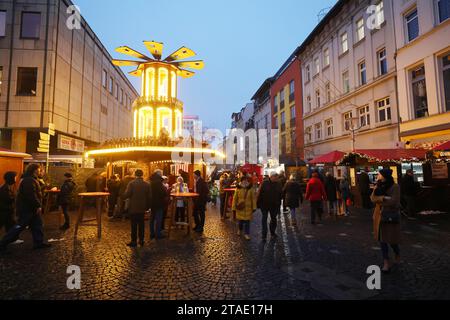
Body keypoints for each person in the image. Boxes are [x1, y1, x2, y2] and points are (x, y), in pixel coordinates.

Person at [0, 164, 51, 253]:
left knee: (37, 225)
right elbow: (31, 195)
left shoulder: (30, 179)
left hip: (30, 209)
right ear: (34, 170)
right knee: (19, 227)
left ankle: (38, 242)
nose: (40, 172)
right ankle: (2, 243)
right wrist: (37, 205)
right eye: (39, 170)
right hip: (27, 209)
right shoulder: (29, 180)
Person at [371, 169, 401, 273]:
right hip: (379, 217)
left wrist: (381, 201)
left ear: (384, 176)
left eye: (379, 174)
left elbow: (394, 201)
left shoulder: (395, 186)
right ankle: (386, 262)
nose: (378, 175)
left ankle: (397, 252)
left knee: (392, 241)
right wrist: (384, 198)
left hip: (390, 216)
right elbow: (373, 198)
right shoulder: (378, 186)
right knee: (382, 241)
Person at [123, 170, 152, 247]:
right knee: (141, 224)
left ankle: (134, 241)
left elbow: (127, 194)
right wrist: (147, 206)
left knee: (133, 225)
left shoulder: (131, 183)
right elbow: (149, 197)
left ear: (135, 175)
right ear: (142, 175)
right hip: (142, 207)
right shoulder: (147, 184)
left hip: (133, 207)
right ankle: (141, 240)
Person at [257, 172, 282, 241]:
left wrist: (279, 203)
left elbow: (280, 194)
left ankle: (272, 233)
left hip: (274, 205)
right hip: (264, 205)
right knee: (264, 220)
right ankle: (264, 235)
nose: (276, 179)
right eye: (275, 177)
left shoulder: (278, 184)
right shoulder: (264, 183)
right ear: (271, 177)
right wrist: (258, 204)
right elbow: (259, 193)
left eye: (277, 177)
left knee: (274, 219)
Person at [232, 176, 256, 240]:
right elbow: (235, 199)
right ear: (241, 181)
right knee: (241, 221)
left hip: (248, 208)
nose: (245, 181)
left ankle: (246, 234)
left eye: (246, 180)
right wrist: (233, 207)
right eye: (243, 180)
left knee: (247, 222)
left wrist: (254, 207)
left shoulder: (250, 188)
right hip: (240, 208)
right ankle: (240, 230)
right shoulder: (238, 188)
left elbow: (253, 198)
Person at [149, 170, 168, 240]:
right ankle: (158, 233)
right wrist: (166, 191)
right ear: (159, 174)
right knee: (159, 218)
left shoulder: (151, 181)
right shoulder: (158, 182)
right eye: (161, 174)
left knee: (152, 218)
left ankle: (152, 233)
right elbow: (163, 193)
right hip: (159, 203)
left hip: (152, 202)